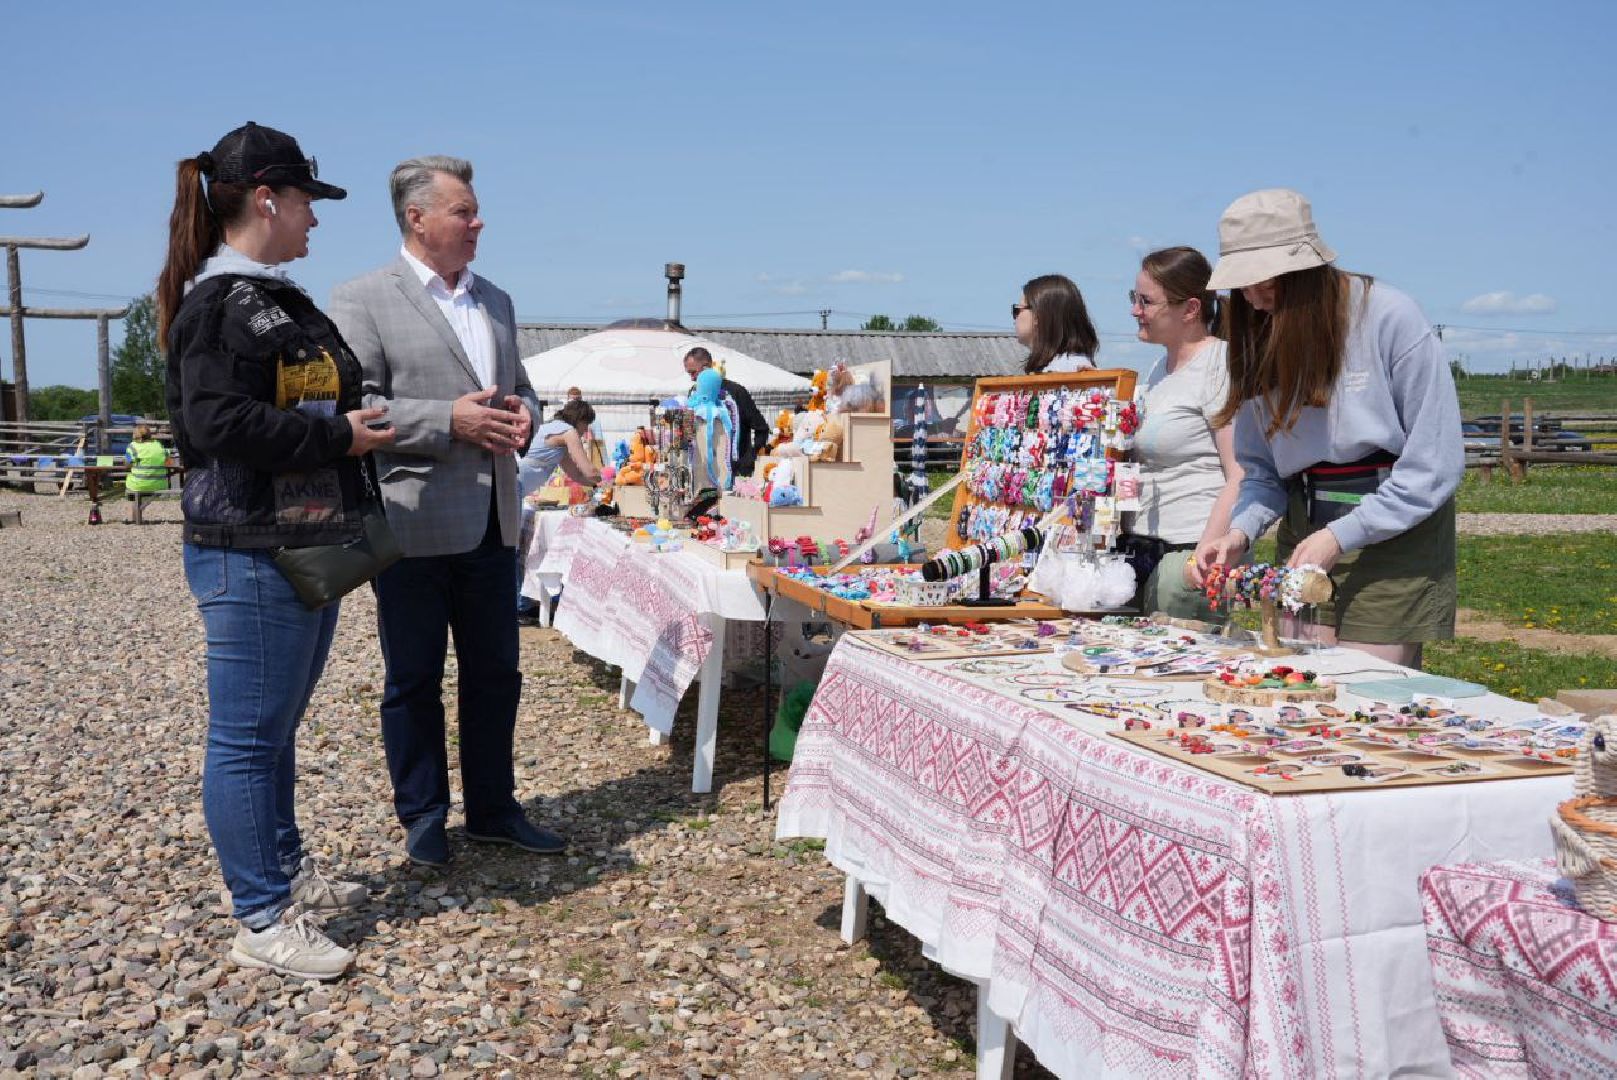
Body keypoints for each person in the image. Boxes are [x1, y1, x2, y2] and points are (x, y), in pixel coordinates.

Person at [157, 121, 394, 980]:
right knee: (248, 738)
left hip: (294, 545)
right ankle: (259, 916)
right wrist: (337, 437)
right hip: (250, 547)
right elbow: (212, 422)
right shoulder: (222, 303)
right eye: (305, 203)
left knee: (274, 728)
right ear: (265, 198)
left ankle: (285, 874)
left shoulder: (264, 294)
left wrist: (351, 427)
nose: (313, 221)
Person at [330, 155, 562, 868]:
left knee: (496, 674)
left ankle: (493, 809)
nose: (477, 221)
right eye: (463, 211)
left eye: (474, 209)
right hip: (413, 522)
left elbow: (519, 388)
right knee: (413, 680)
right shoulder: (361, 299)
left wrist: (526, 411)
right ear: (417, 217)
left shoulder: (495, 299)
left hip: (494, 521)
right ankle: (424, 816)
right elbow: (353, 411)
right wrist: (447, 422)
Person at [1193, 189, 1462, 666]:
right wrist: (1240, 532)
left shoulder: (1389, 317)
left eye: (1265, 281)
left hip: (1394, 526)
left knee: (1365, 686)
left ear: (1306, 271)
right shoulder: (1256, 332)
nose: (1252, 299)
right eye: (1242, 285)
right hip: (1307, 525)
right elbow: (1261, 472)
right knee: (1302, 676)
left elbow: (1433, 464)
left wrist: (1344, 534)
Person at [1120, 247, 1240, 621]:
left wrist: (1202, 557)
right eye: (1133, 298)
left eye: (1146, 301)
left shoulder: (1219, 366)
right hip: (1141, 546)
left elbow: (1240, 473)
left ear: (1190, 309)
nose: (1135, 310)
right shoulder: (1158, 370)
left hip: (1186, 548)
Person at [516, 399, 603, 623]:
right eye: (586, 426)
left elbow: (575, 474)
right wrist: (605, 479)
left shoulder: (554, 430)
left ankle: (519, 603)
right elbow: (586, 468)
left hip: (517, 485)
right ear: (580, 420)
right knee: (511, 550)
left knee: (516, 550)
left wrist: (595, 484)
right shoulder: (568, 432)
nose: (585, 433)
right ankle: (517, 606)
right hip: (514, 487)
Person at [683, 346, 768, 475]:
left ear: (706, 367)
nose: (692, 378)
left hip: (735, 471)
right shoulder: (693, 394)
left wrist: (749, 459)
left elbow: (761, 428)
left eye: (693, 372)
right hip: (703, 471)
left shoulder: (736, 392)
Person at [1014, 274, 1100, 373]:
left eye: (1017, 310)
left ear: (1038, 315)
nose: (1015, 317)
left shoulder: (1070, 369)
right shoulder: (1067, 366)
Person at [123, 423, 170, 523]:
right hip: (159, 483)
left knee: (132, 483)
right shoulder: (158, 445)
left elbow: (127, 464)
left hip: (139, 483)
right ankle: (137, 515)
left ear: (135, 435)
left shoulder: (132, 447)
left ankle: (133, 517)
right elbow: (168, 460)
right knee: (138, 485)